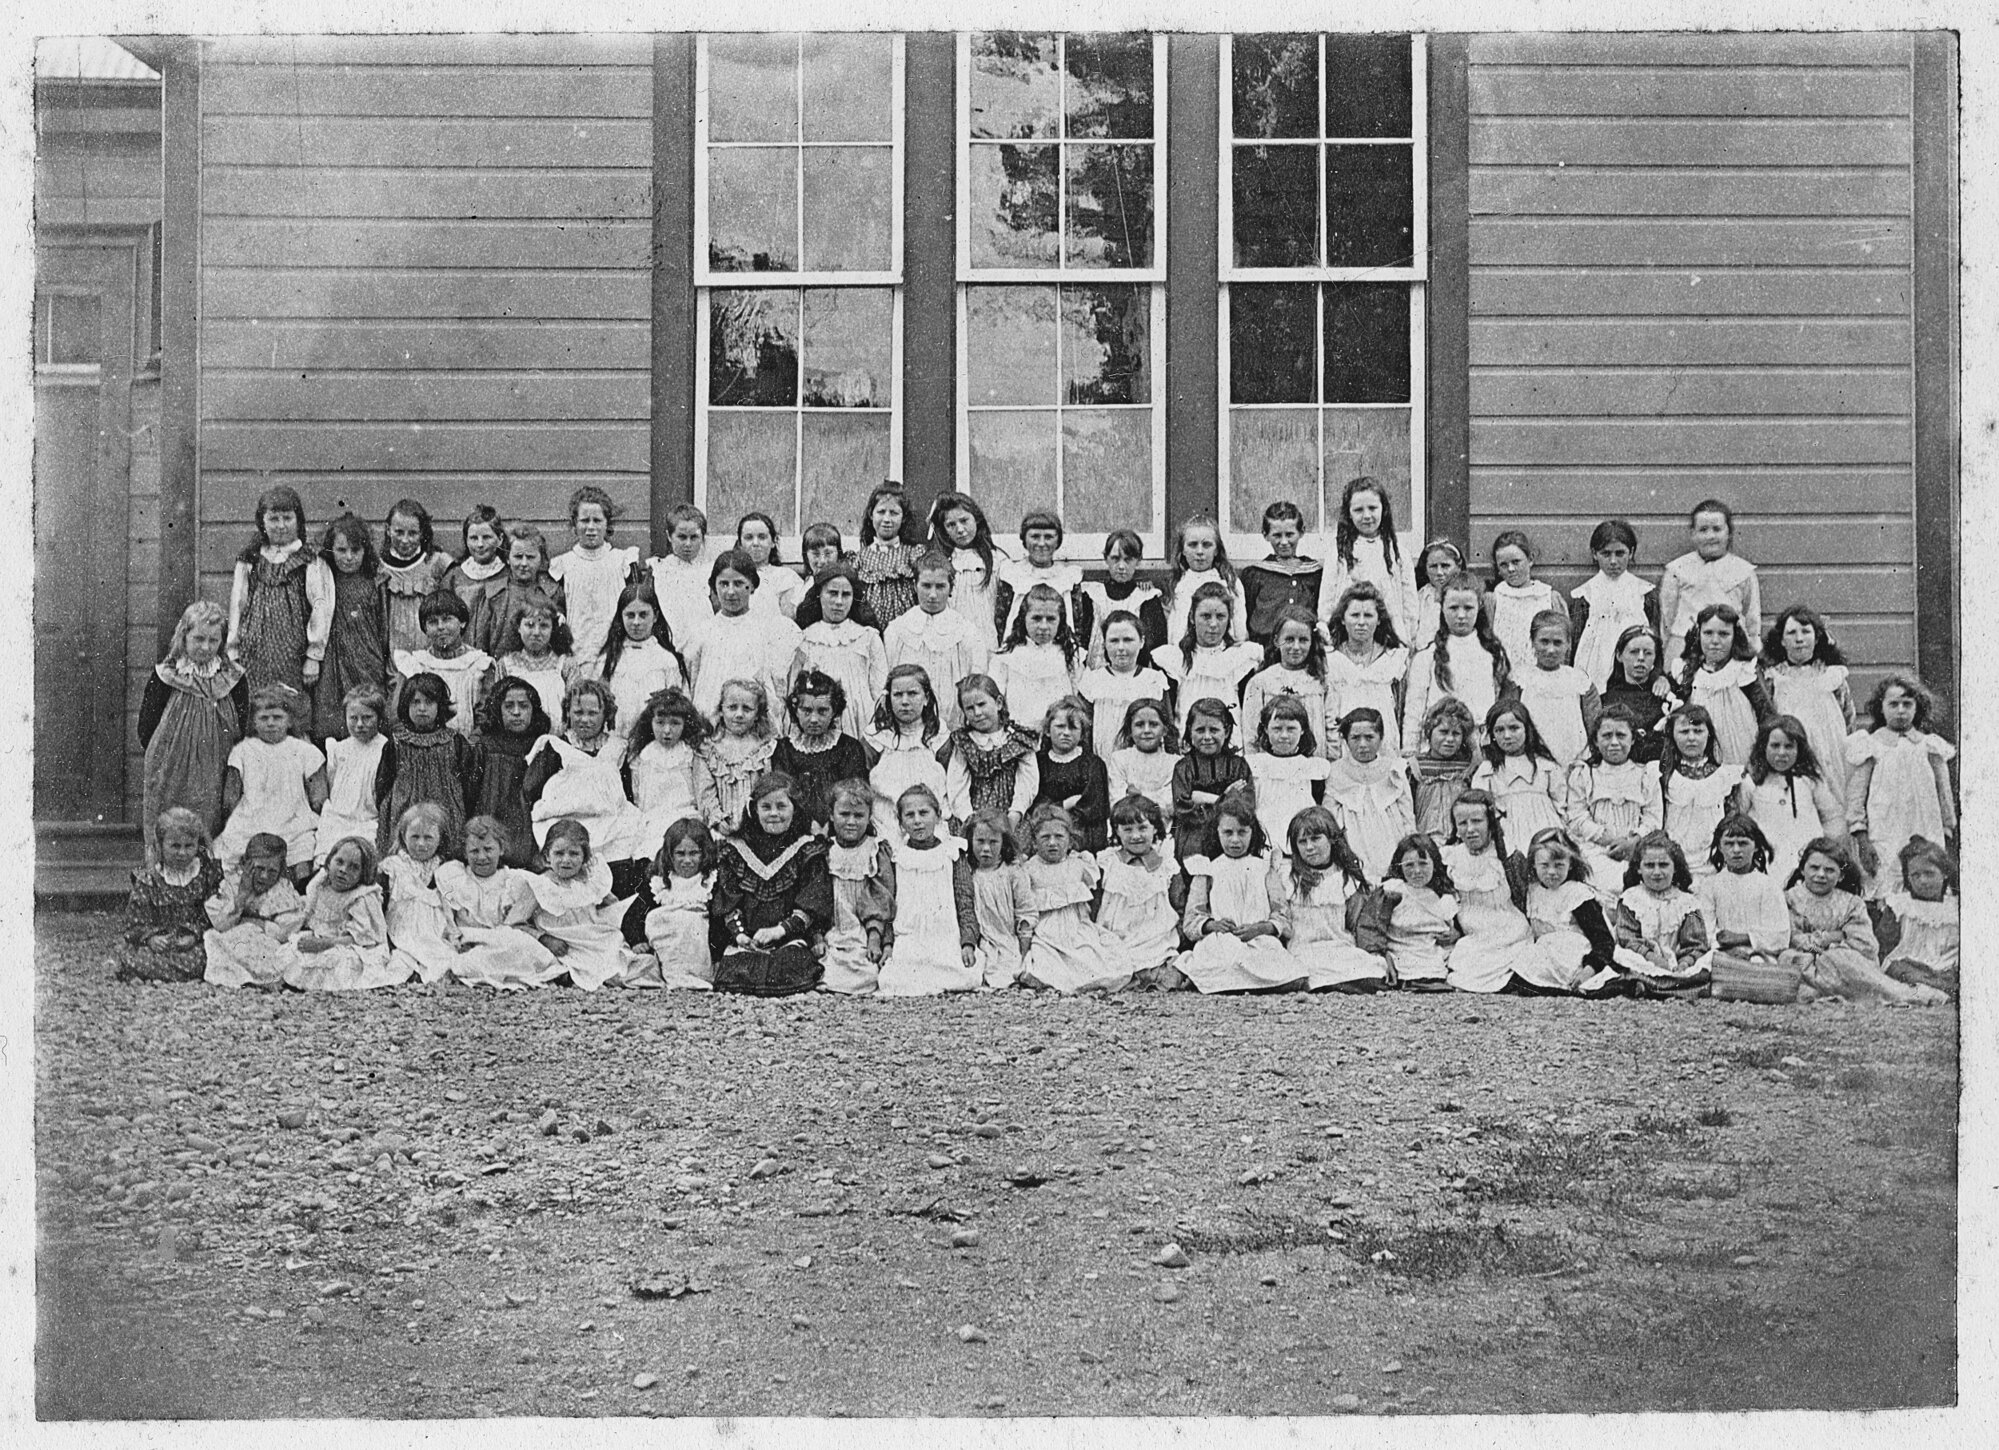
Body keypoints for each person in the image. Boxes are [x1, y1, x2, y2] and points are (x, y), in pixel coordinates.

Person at [140, 600, 248, 861]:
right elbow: (146, 726)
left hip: (216, 765)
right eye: (198, 638)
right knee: (170, 821)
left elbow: (242, 726)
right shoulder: (166, 675)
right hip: (171, 767)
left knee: (210, 820)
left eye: (213, 641)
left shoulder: (233, 678)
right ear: (183, 636)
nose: (205, 647)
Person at [1781, 837, 1943, 1005]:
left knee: (1840, 959)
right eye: (1814, 868)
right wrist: (1832, 937)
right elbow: (1789, 937)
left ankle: (1907, 994)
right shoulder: (1789, 900)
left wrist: (1830, 950)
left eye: (1829, 870)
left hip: (1844, 965)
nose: (1820, 874)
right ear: (1802, 869)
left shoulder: (1852, 903)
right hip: (1804, 964)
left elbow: (1865, 944)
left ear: (1841, 875)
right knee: (1792, 960)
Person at [711, 773, 833, 996]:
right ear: (754, 810)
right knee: (736, 969)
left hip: (788, 937)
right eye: (766, 807)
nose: (774, 814)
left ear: (794, 809)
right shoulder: (737, 850)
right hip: (749, 939)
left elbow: (811, 902)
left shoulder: (806, 849)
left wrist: (779, 931)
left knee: (789, 965)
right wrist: (740, 936)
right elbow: (729, 900)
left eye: (781, 806)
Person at [1846, 672, 1956, 898]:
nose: (1900, 710)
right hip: (1885, 828)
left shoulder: (1929, 746)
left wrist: (1946, 828)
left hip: (1924, 827)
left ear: (1918, 708)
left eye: (1907, 704)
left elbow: (1944, 792)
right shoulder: (1871, 745)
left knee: (1925, 879)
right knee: (1888, 881)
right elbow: (1856, 796)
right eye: (1893, 704)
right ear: (1881, 707)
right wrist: (1862, 837)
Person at [1440, 791, 1563, 995]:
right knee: (1460, 969)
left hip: (1509, 934)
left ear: (1490, 823)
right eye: (1462, 823)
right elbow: (1449, 900)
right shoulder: (1451, 858)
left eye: (1477, 821)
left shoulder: (1508, 858)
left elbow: (1525, 899)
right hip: (1472, 936)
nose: (1470, 829)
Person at [1175, 794, 1298, 994]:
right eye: (1228, 833)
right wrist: (1211, 925)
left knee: (1277, 964)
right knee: (1221, 959)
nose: (1235, 840)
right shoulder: (1207, 869)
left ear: (1253, 833)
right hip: (1222, 940)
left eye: (1242, 832)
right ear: (1217, 833)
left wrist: (1263, 927)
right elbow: (1191, 919)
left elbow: (1282, 914)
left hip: (1258, 939)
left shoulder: (1265, 868)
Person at [520, 678, 643, 862]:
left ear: (606, 715)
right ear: (567, 713)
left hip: (610, 824)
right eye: (578, 712)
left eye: (593, 713)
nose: (585, 719)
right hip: (565, 824)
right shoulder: (557, 747)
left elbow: (626, 793)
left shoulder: (616, 748)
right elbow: (531, 790)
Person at [227, 484, 333, 697]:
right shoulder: (250, 559)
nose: (281, 525)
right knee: (256, 706)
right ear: (262, 522)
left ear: (298, 520)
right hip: (253, 652)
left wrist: (314, 656)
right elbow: (238, 605)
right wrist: (233, 651)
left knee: (290, 706)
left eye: (287, 518)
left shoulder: (309, 560)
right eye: (273, 519)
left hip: (293, 654)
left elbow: (321, 607)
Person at [879, 784, 982, 996]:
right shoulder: (898, 857)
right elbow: (889, 904)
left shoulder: (952, 851)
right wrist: (888, 943)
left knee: (966, 974)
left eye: (924, 813)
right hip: (911, 937)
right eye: (910, 815)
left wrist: (968, 942)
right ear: (901, 823)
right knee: (891, 978)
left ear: (938, 816)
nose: (917, 821)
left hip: (944, 935)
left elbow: (964, 900)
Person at [216, 684, 326, 880]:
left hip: (293, 818)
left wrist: (312, 812)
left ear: (289, 720)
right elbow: (230, 797)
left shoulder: (304, 750)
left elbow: (318, 796)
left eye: (277, 717)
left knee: (303, 847)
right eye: (264, 718)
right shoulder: (243, 750)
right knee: (233, 845)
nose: (271, 723)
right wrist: (232, 815)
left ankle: (298, 893)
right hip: (252, 818)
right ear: (254, 722)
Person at [436, 815, 560, 989]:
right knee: (453, 955)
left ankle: (482, 967)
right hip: (469, 937)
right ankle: (474, 966)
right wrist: (452, 927)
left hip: (501, 938)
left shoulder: (512, 880)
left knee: (516, 943)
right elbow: (446, 899)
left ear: (501, 849)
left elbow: (518, 921)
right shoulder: (455, 877)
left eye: (488, 849)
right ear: (465, 852)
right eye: (474, 851)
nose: (482, 857)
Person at [1017, 804, 1130, 994]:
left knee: (1090, 955)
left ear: (1070, 841)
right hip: (1045, 930)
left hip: (1076, 927)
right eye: (1045, 837)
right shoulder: (1029, 869)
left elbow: (1091, 902)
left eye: (1059, 837)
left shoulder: (1079, 865)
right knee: (1045, 959)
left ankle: (1085, 981)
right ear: (1035, 843)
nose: (1052, 843)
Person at [1273, 806, 1389, 991]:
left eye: (1316, 839)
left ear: (1332, 839)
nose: (1310, 847)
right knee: (1300, 969)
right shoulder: (1289, 878)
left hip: (1339, 948)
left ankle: (1336, 983)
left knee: (1372, 967)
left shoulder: (1346, 879)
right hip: (1304, 949)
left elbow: (1353, 922)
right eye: (1302, 842)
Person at [1759, 605, 1857, 820]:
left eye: (1805, 632)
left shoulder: (1832, 676)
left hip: (1830, 755)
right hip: (1791, 756)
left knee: (1834, 811)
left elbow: (1849, 719)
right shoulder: (1774, 678)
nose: (1799, 639)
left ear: (1817, 637)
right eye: (1791, 633)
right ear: (1782, 640)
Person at [529, 817, 645, 990]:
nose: (566, 860)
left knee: (625, 960)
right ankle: (571, 975)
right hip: (563, 943)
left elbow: (612, 906)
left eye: (574, 854)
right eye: (559, 853)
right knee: (546, 962)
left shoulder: (591, 881)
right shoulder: (541, 885)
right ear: (547, 856)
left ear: (585, 857)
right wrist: (544, 938)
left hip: (591, 938)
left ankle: (602, 974)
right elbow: (519, 923)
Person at [681, 550, 798, 720]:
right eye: (723, 584)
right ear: (714, 587)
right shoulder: (702, 632)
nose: (730, 592)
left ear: (751, 586)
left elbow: (777, 685)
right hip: (711, 718)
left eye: (738, 583)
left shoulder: (768, 629)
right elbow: (693, 678)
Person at [1401, 571, 1510, 752]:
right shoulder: (1427, 657)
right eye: (1453, 608)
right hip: (1439, 748)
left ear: (1480, 606)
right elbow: (1413, 712)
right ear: (1442, 607)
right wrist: (1410, 754)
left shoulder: (1492, 653)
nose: (1461, 615)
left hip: (1481, 748)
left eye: (1468, 608)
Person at [116, 807, 227, 983]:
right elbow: (133, 924)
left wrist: (194, 935)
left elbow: (212, 915)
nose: (182, 853)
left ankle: (162, 972)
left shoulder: (206, 875)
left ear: (197, 845)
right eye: (175, 846)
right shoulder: (149, 880)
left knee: (208, 955)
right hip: (159, 945)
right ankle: (176, 972)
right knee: (133, 956)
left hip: (192, 945)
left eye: (189, 846)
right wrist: (151, 938)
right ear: (160, 845)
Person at [279, 835, 403, 991]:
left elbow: (363, 938)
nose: (343, 870)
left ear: (363, 873)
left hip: (350, 944)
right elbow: (310, 913)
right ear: (329, 861)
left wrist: (325, 944)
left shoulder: (361, 897)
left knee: (341, 962)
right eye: (339, 862)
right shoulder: (322, 883)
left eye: (354, 867)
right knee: (293, 949)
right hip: (323, 937)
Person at [375, 672, 477, 860]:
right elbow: (383, 785)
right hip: (404, 810)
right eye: (415, 702)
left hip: (447, 810)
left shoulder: (455, 741)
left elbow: (469, 785)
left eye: (429, 703)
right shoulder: (396, 742)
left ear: (440, 706)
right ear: (406, 705)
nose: (422, 709)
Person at [884, 552, 987, 730]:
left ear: (950, 588)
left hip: (953, 719)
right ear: (915, 586)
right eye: (926, 586)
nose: (932, 595)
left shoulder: (966, 631)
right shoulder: (897, 630)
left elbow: (977, 680)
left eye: (940, 586)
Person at [1563, 704, 1662, 886]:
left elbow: (1653, 819)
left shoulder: (1646, 774)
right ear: (1595, 740)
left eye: (1621, 735)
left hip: (1636, 850)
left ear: (1632, 739)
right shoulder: (1584, 774)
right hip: (1595, 850)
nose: (1614, 742)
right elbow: (1577, 817)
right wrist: (1610, 841)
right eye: (1607, 736)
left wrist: (1632, 842)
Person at [1659, 498, 1760, 675]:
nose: (1711, 536)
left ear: (1729, 532)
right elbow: (1667, 617)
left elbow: (1752, 618)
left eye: (1717, 529)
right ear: (1693, 533)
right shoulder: (1677, 570)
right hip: (1685, 645)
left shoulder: (1743, 571)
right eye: (1703, 530)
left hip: (1730, 648)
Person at [312, 513, 389, 741]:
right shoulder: (325, 581)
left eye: (355, 551)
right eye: (341, 550)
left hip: (366, 658)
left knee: (368, 710)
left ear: (365, 551)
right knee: (333, 719)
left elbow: (382, 626)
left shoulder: (374, 583)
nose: (348, 557)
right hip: (333, 661)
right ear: (330, 550)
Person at [1609, 832, 1715, 994]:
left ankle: (1661, 984)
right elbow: (1627, 939)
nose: (1657, 872)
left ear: (1675, 868)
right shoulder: (1631, 899)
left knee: (1708, 960)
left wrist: (1684, 963)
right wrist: (1653, 958)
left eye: (1664, 865)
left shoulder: (1687, 903)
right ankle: (1658, 984)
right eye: (1650, 865)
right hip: (1643, 961)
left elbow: (1696, 944)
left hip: (1677, 964)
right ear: (1638, 868)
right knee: (1621, 956)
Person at [548, 485, 641, 669]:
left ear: (607, 524)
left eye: (597, 520)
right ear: (574, 524)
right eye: (584, 520)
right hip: (576, 654)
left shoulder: (622, 561)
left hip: (617, 654)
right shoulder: (563, 565)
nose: (591, 527)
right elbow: (556, 612)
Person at [818, 779, 896, 996]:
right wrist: (817, 935)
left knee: (869, 973)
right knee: (822, 967)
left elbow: (882, 897)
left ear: (869, 816)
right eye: (844, 814)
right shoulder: (824, 850)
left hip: (864, 931)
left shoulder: (874, 850)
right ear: (832, 815)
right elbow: (816, 896)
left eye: (859, 816)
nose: (851, 822)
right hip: (832, 930)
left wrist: (874, 937)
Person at [1096, 793, 1183, 989]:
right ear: (1117, 831)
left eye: (1143, 828)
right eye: (1128, 830)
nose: (1136, 836)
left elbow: (1178, 904)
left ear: (1155, 829)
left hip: (1154, 937)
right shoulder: (1108, 862)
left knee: (1164, 967)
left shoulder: (1166, 867)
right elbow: (1097, 903)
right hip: (1114, 936)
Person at [793, 562, 888, 741]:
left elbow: (879, 689)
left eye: (846, 595)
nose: (838, 602)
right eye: (832, 593)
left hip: (862, 720)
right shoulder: (804, 639)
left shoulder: (868, 637)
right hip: (818, 721)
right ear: (819, 594)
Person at [1744, 714, 1842, 886]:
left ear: (1799, 749)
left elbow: (1832, 817)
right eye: (1775, 746)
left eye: (1789, 746)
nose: (1782, 753)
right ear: (1763, 747)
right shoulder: (1753, 782)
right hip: (1768, 860)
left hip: (1806, 861)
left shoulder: (1809, 780)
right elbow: (1740, 819)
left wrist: (1827, 850)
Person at [1154, 581, 1262, 737]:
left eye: (1220, 617)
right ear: (1192, 617)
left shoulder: (1241, 658)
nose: (1213, 624)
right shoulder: (1174, 659)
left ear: (1229, 618)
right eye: (1205, 616)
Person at [1521, 828, 1621, 995]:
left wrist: (1589, 970)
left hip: (1576, 959)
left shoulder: (1577, 894)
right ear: (1533, 864)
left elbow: (1603, 940)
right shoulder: (1533, 892)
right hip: (1545, 959)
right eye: (1544, 865)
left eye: (1559, 865)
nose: (1552, 872)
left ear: (1571, 864)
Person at [771, 671, 873, 833]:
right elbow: (783, 796)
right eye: (806, 710)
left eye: (822, 711)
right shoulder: (784, 749)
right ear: (795, 710)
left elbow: (856, 795)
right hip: (796, 829)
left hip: (840, 828)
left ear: (834, 711)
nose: (813, 719)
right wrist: (807, 825)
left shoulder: (848, 747)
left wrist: (831, 825)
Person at [1318, 477, 1417, 643]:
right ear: (1348, 513)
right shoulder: (1339, 553)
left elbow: (1410, 605)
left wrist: (1407, 636)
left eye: (1372, 508)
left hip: (1390, 636)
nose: (1367, 516)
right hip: (1348, 635)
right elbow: (1327, 602)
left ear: (1383, 509)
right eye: (1358, 510)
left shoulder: (1398, 552)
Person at [202, 832, 306, 989]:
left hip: (266, 944)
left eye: (272, 871)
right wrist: (241, 897)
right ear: (245, 864)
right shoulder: (233, 884)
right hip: (235, 940)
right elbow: (221, 925)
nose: (264, 876)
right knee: (212, 938)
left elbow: (286, 932)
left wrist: (257, 924)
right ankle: (241, 977)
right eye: (259, 868)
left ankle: (262, 978)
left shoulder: (283, 889)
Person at [1323, 707, 1416, 882]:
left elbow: (1406, 811)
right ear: (1345, 740)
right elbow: (1329, 814)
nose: (1363, 744)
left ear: (1381, 738)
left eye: (1369, 737)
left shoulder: (1393, 768)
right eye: (1355, 738)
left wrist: (1411, 844)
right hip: (1352, 838)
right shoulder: (1336, 771)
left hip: (1390, 836)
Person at [942, 674, 1039, 836]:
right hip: (974, 816)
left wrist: (1014, 814)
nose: (977, 713)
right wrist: (969, 819)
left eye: (981, 705)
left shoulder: (1018, 738)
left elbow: (1027, 781)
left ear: (999, 703)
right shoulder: (964, 742)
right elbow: (957, 784)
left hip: (1010, 814)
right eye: (970, 708)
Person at [380, 802, 466, 985]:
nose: (421, 844)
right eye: (414, 837)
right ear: (403, 837)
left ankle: (426, 971)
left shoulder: (445, 869)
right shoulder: (393, 866)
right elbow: (382, 902)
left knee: (443, 955)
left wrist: (453, 926)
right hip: (402, 925)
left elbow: (451, 899)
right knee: (401, 955)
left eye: (428, 838)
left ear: (440, 839)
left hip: (434, 929)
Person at [1659, 705, 1748, 880]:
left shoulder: (1725, 777)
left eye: (1698, 731)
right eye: (1684, 732)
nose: (1691, 738)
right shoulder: (1664, 776)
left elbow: (1731, 821)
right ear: (1672, 736)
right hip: (1675, 861)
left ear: (1709, 734)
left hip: (1712, 863)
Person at [1677, 603, 1771, 767]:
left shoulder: (1744, 671)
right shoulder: (1689, 671)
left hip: (1741, 747)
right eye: (1708, 633)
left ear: (1735, 636)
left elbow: (1765, 714)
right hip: (1701, 751)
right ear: (1698, 635)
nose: (1715, 641)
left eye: (1723, 634)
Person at [1568, 519, 1657, 690]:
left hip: (1633, 669)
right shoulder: (1585, 594)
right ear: (1594, 554)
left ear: (1630, 553)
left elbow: (1655, 638)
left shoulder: (1643, 592)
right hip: (1595, 668)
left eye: (1620, 553)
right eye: (1606, 554)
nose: (1613, 561)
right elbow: (1576, 639)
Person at [392, 589, 493, 738]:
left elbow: (486, 719)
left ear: (462, 622)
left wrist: (470, 747)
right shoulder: (414, 665)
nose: (440, 627)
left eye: (447, 619)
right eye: (433, 622)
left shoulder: (480, 664)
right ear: (425, 628)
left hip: (468, 746)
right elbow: (398, 716)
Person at [597, 581, 686, 748]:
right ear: (621, 617)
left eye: (643, 615)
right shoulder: (608, 659)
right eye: (630, 615)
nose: (636, 622)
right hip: (613, 742)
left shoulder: (666, 660)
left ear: (656, 616)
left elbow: (674, 708)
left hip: (652, 744)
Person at [1364, 833, 1458, 991]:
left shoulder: (1442, 895)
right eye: (1409, 865)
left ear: (1435, 864)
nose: (1417, 871)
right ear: (1399, 865)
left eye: (1423, 864)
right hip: (1400, 945)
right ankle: (1415, 981)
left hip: (1431, 947)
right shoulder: (1393, 890)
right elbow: (1372, 925)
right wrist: (1380, 952)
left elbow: (1455, 926)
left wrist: (1454, 934)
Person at [1322, 586, 1408, 758]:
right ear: (1343, 619)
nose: (1361, 622)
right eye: (1354, 615)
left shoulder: (1394, 659)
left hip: (1384, 743)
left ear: (1378, 620)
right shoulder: (1331, 660)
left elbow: (1401, 709)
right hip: (1343, 744)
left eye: (1368, 615)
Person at [866, 665, 949, 840]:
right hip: (885, 821)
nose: (905, 701)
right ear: (889, 698)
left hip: (929, 822)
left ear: (926, 698)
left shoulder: (936, 733)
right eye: (898, 695)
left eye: (912, 694)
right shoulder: (877, 736)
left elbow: (953, 779)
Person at [637, 818, 721, 990]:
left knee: (692, 922)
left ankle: (690, 976)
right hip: (663, 946)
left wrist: (717, 956)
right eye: (680, 854)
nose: (687, 860)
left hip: (696, 947)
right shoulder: (659, 882)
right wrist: (637, 941)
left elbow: (719, 922)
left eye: (694, 853)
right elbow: (635, 914)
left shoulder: (710, 882)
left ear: (705, 853)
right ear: (669, 854)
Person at [1698, 813, 1791, 966]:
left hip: (1759, 954)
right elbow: (1705, 931)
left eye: (1743, 843)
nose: (1736, 850)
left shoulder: (1768, 886)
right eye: (1729, 843)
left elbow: (1780, 935)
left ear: (1755, 846)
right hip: (1720, 952)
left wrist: (1744, 938)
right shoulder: (1710, 885)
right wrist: (1724, 947)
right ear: (1720, 847)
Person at [1245, 695, 1332, 859]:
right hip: (1263, 843)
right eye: (1277, 729)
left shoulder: (1313, 768)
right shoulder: (1254, 765)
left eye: (1291, 729)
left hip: (1301, 843)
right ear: (1265, 729)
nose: (1284, 735)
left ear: (1303, 730)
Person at [1470, 698, 1567, 846]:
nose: (1507, 736)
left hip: (1545, 830)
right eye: (1499, 730)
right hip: (1507, 835)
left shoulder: (1546, 767)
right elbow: (1479, 807)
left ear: (1527, 729)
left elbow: (1560, 803)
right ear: (1492, 735)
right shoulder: (1487, 770)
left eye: (1514, 728)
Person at [1080, 611, 1171, 766]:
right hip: (1102, 761)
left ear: (1141, 642)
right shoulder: (1093, 680)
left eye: (1128, 640)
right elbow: (1083, 729)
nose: (1121, 648)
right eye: (1114, 641)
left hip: (1144, 763)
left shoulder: (1154, 680)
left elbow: (1167, 727)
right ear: (1104, 643)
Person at [1244, 606, 1334, 761]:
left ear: (1312, 642)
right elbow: (1251, 734)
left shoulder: (1321, 681)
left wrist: (1330, 766)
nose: (1296, 647)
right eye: (1289, 639)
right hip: (1271, 771)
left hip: (1312, 768)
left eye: (1303, 640)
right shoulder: (1261, 682)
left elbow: (1332, 729)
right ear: (1277, 640)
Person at [992, 583, 1081, 738]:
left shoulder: (1068, 654)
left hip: (1057, 739)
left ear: (1060, 620)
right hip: (1017, 736)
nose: (1043, 626)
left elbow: (1076, 695)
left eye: (1051, 619)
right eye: (1037, 618)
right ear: (1023, 618)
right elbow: (995, 701)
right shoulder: (1007, 656)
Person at [625, 686, 705, 858]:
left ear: (685, 724)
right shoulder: (642, 756)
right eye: (660, 723)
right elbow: (638, 795)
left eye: (675, 723)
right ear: (650, 722)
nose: (667, 730)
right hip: (653, 819)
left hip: (687, 817)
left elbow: (699, 793)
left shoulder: (689, 753)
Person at [1171, 696, 1253, 864]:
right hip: (1194, 837)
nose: (1207, 737)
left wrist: (1203, 798)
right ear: (1189, 731)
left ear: (1227, 731)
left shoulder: (1238, 766)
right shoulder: (1183, 767)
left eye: (1214, 730)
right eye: (1200, 730)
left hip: (1230, 837)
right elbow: (1183, 808)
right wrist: (1223, 798)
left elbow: (1246, 808)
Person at [1513, 610, 1599, 768]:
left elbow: (1595, 726)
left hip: (1575, 762)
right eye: (1544, 642)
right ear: (1532, 642)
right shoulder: (1520, 679)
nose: (1551, 650)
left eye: (1558, 643)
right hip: (1532, 763)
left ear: (1568, 644)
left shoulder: (1580, 681)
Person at [926, 491, 1007, 656]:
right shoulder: (943, 562)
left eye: (964, 521)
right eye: (951, 525)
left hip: (986, 643)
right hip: (951, 646)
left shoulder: (997, 560)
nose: (960, 530)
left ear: (976, 519)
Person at [1877, 837, 1959, 998]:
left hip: (1946, 966)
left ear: (1944, 874)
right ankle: (1935, 988)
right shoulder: (1900, 905)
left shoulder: (1956, 907)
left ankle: (1934, 988)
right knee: (1899, 969)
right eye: (1915, 875)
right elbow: (1883, 948)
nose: (1923, 881)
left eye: (1929, 873)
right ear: (1908, 878)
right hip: (1910, 966)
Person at [697, 680, 781, 837]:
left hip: (757, 828)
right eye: (732, 707)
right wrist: (717, 819)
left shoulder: (765, 747)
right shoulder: (709, 748)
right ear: (721, 710)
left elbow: (768, 789)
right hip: (719, 830)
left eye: (747, 709)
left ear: (757, 714)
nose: (739, 714)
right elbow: (705, 791)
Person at [318, 685, 391, 865]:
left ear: (379, 718)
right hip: (338, 817)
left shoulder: (386, 749)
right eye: (353, 718)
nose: (359, 725)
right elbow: (332, 782)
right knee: (328, 856)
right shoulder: (339, 748)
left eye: (367, 718)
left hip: (369, 819)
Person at [994, 511, 1088, 645]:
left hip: (1058, 651)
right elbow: (1001, 620)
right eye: (1035, 536)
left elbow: (1076, 622)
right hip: (1020, 650)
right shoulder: (1012, 573)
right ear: (1024, 539)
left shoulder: (1068, 577)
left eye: (1049, 537)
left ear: (1058, 540)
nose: (1042, 543)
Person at [376, 498, 456, 656]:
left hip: (430, 652)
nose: (405, 540)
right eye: (398, 532)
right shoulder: (379, 567)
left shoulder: (436, 563)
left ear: (422, 533)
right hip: (392, 653)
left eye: (412, 533)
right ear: (387, 529)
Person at [1483, 530, 1567, 681]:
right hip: (1504, 680)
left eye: (1516, 562)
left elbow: (1564, 646)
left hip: (1543, 679)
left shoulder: (1549, 598)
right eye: (1503, 565)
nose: (1511, 569)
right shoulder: (1493, 600)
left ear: (1530, 559)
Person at [1031, 696, 1111, 854]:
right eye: (1060, 727)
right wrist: (1065, 804)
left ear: (1082, 734)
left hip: (1085, 834)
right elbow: (1038, 803)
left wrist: (1057, 809)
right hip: (1049, 833)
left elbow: (1094, 805)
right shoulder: (1038, 763)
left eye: (1073, 728)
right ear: (1047, 730)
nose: (1066, 733)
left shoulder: (1093, 764)